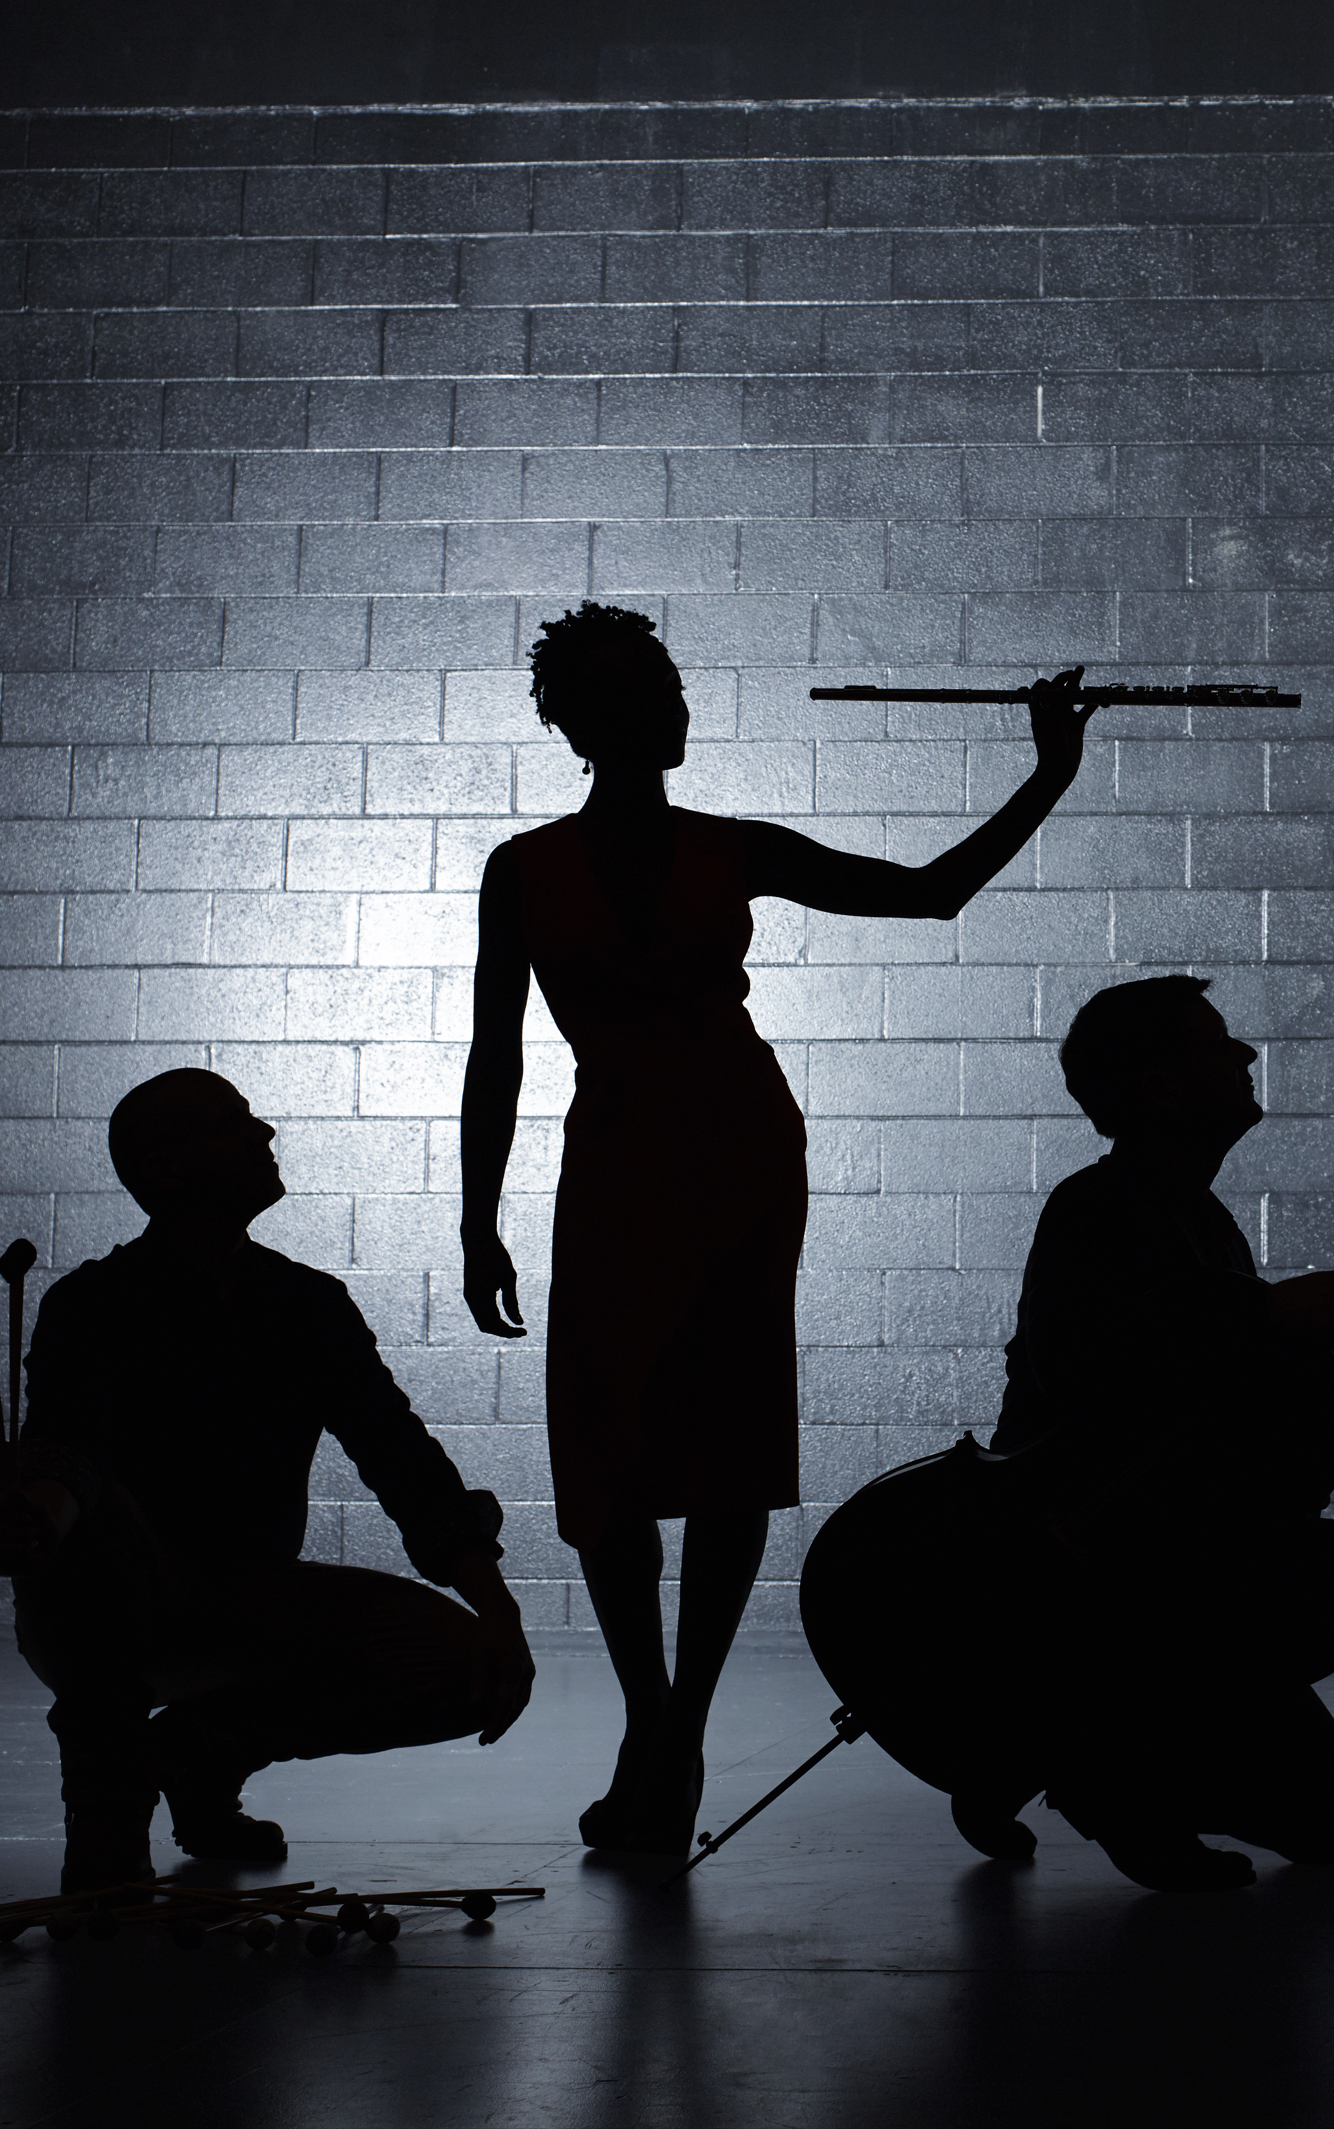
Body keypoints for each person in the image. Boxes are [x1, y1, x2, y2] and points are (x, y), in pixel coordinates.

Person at [459, 604, 1094, 1855]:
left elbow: (931, 897)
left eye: (672, 684)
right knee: (611, 1450)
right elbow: (496, 1052)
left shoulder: (728, 845)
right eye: (642, 690)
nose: (671, 708)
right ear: (576, 723)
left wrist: (1049, 774)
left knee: (726, 1443)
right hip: (619, 1159)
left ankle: (674, 1730)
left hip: (741, 1153)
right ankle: (655, 1719)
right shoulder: (524, 868)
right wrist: (476, 1218)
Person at [0, 1068, 534, 1892]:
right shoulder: (90, 1305)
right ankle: (106, 1827)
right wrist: (35, 1522)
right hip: (115, 1605)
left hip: (253, 1600)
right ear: (166, 1169)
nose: (264, 1134)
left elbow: (400, 1459)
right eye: (234, 1125)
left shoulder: (308, 1305)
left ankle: (200, 1759)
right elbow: (66, 1455)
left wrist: (498, 1610)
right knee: (93, 1563)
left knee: (467, 1668)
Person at [974, 975, 1334, 1892]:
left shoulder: (1197, 1219)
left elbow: (1198, 1375)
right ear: (1163, 1085)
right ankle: (1108, 1768)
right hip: (1105, 1573)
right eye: (1217, 1043)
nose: (1245, 1056)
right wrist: (1267, 1317)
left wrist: (1271, 1328)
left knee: (1332, 1823)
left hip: (1177, 1564)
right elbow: (1116, 1377)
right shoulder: (1093, 1207)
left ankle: (1062, 1751)